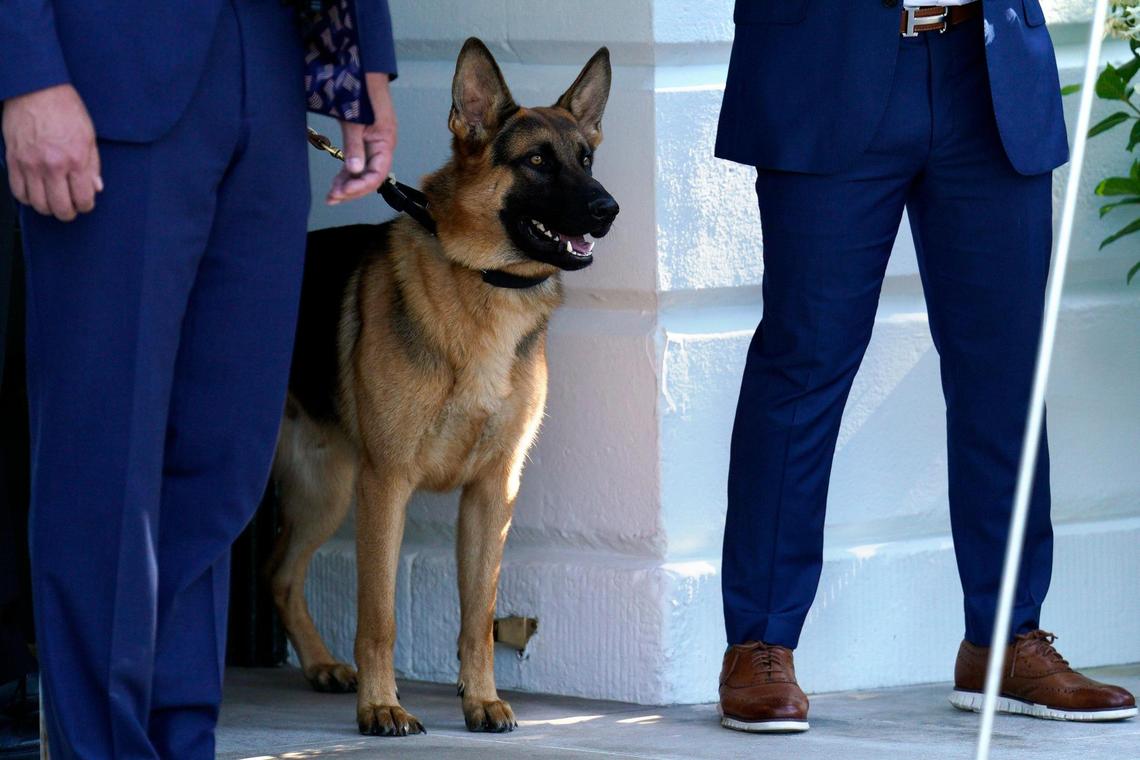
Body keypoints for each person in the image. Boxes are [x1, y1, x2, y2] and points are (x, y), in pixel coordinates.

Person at [715, 0, 1137, 733]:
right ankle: (759, 642)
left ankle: (1005, 639)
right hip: (826, 60)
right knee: (804, 361)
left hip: (989, 66)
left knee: (1006, 373)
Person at [0, 0, 398, 756]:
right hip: (104, 64)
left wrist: (363, 61)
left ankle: (182, 743)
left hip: (266, 60)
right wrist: (24, 72)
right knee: (104, 459)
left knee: (226, 457)